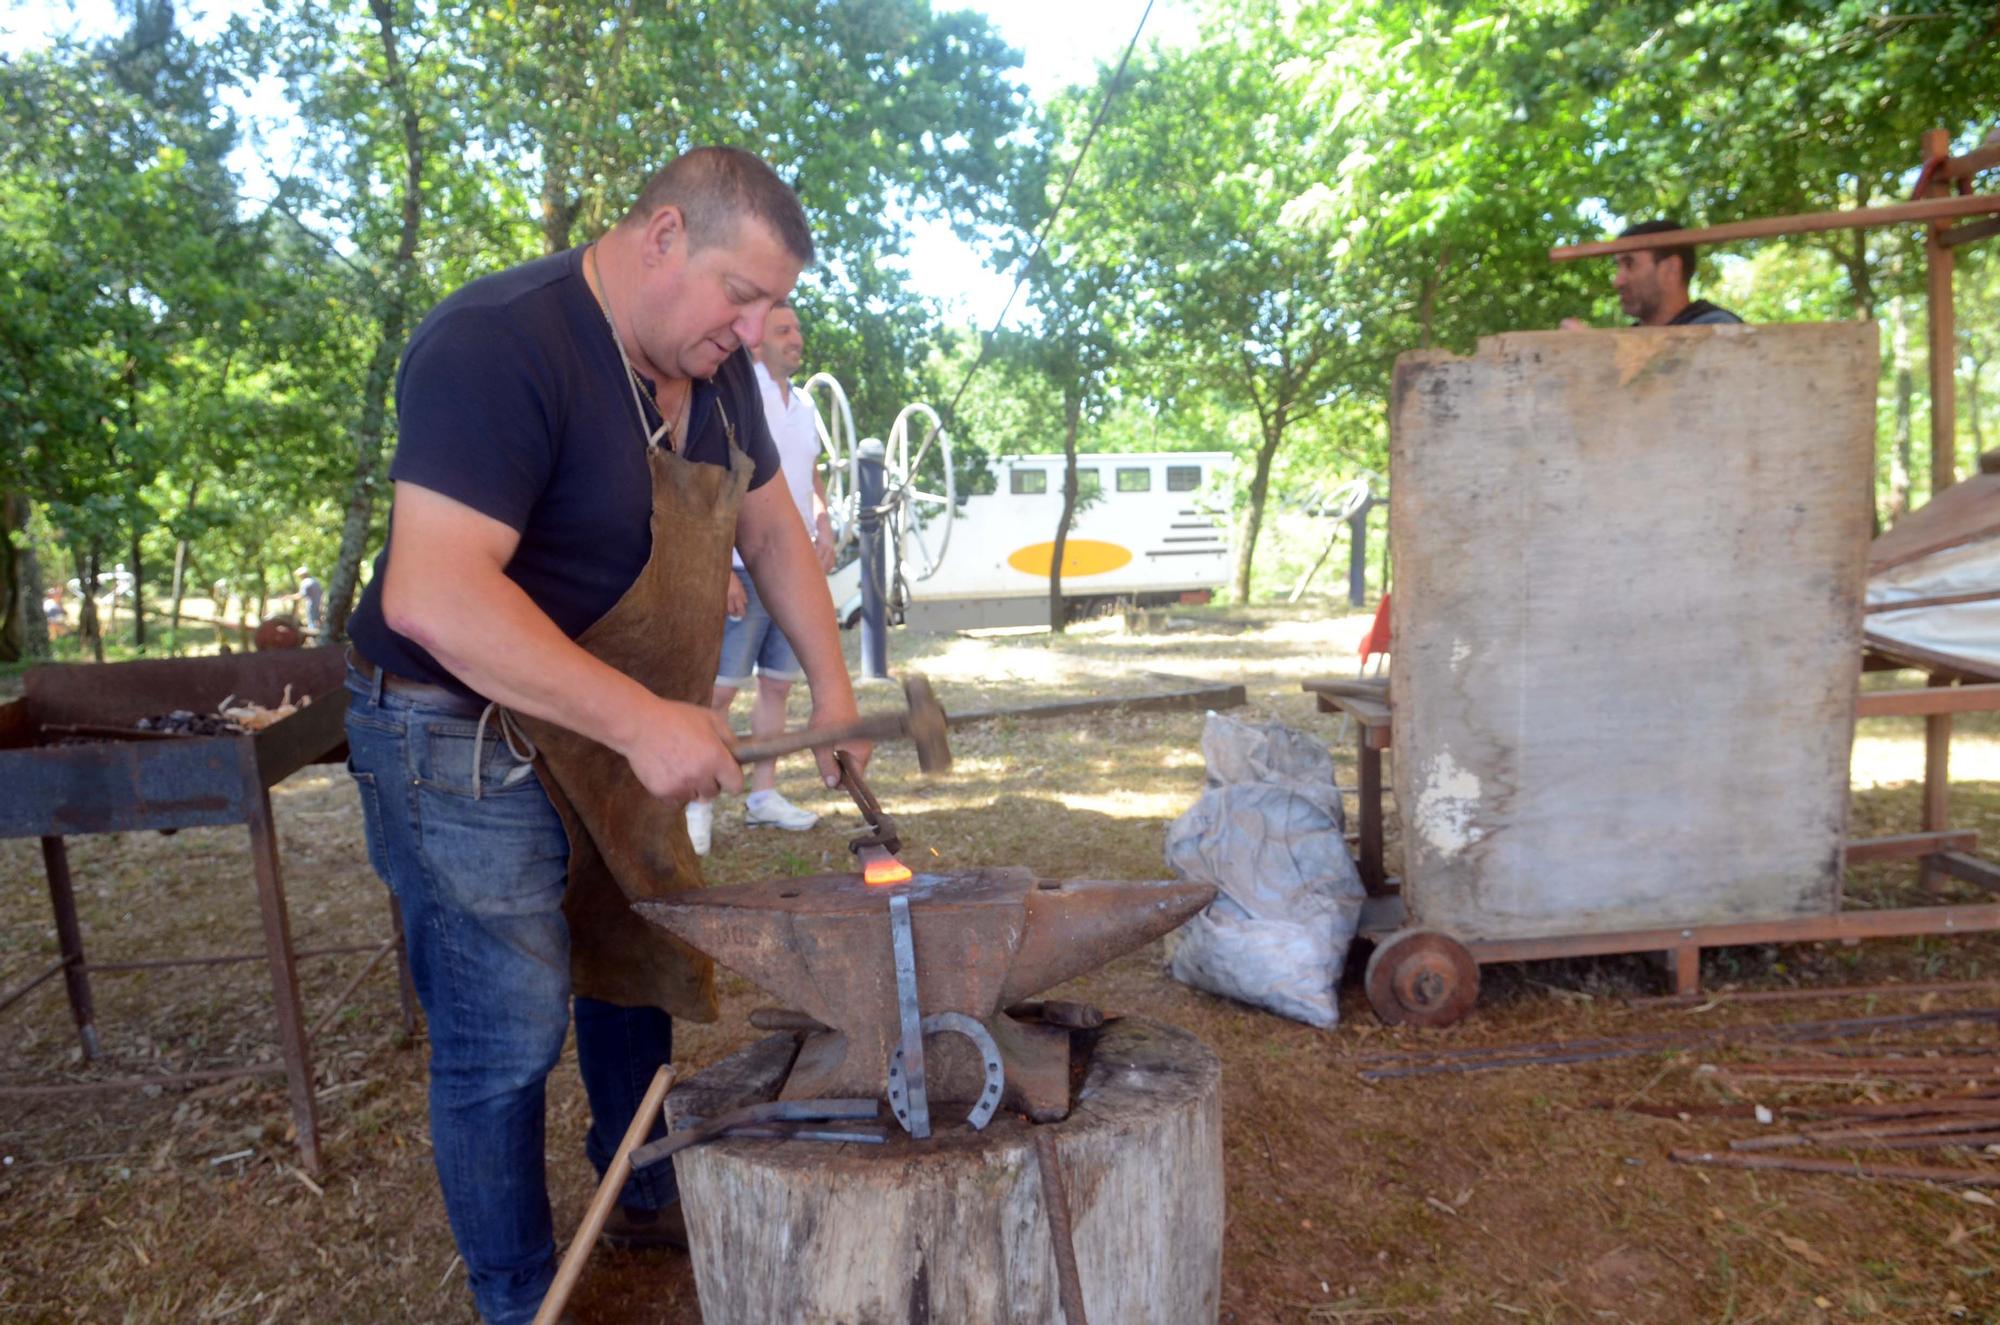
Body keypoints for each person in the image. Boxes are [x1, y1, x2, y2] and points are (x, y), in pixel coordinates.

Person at [340, 146, 867, 1325]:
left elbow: (774, 533)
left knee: (637, 966)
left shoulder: (717, 374)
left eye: (771, 306)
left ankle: (640, 1189)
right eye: (741, 293)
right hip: (455, 733)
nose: (751, 326)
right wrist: (640, 719)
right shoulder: (497, 344)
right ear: (662, 234)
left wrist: (833, 698)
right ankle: (519, 1295)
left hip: (612, 726)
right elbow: (434, 590)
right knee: (507, 1034)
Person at [685, 299, 840, 854]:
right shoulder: (735, 396)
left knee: (777, 685)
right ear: (756, 341)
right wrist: (720, 567)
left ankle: (764, 797)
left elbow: (810, 478)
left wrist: (822, 522)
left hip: (792, 573)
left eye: (797, 327)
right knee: (721, 692)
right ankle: (697, 805)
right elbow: (719, 483)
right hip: (740, 570)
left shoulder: (802, 405)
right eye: (784, 329)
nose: (796, 337)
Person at [1561, 218, 1743, 329]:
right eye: (1618, 267)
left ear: (1670, 269)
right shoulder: (1631, 341)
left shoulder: (1719, 329)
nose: (1618, 281)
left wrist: (1594, 352)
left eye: (1629, 264)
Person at [292, 566, 324, 638]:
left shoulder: (305, 582)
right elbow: (321, 592)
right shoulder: (315, 581)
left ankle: (313, 639)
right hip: (318, 604)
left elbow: (301, 595)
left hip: (311, 605)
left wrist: (289, 597)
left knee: (312, 621)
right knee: (318, 621)